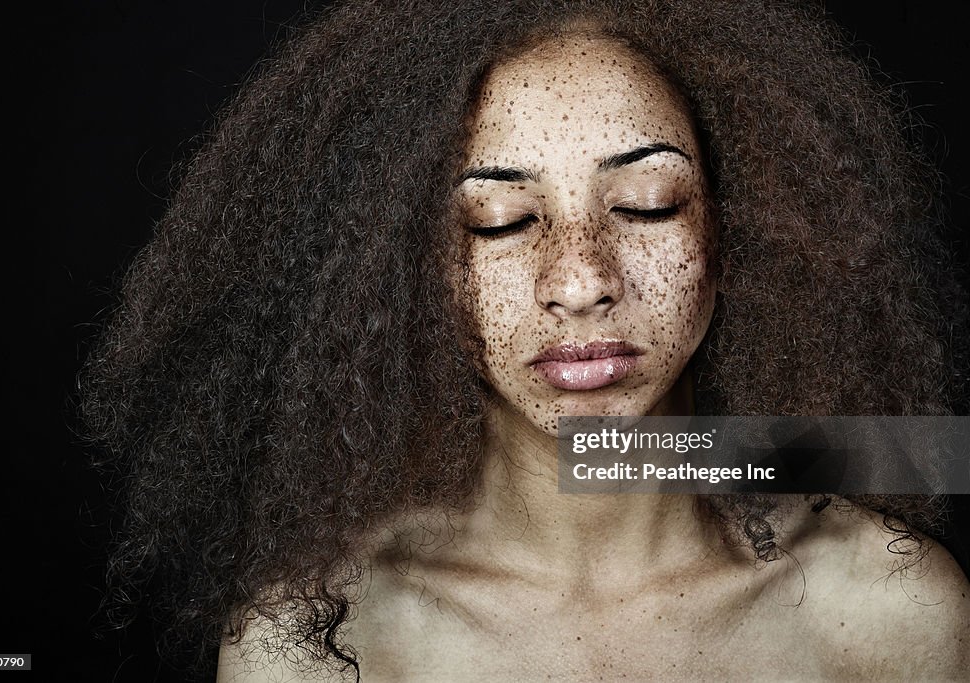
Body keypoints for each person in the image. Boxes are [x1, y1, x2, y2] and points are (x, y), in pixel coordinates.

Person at [80, 0, 969, 680]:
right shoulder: (313, 647)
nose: (580, 280)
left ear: (734, 236)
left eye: (647, 204)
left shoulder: (894, 611)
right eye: (501, 222)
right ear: (412, 268)